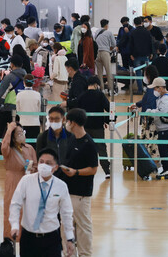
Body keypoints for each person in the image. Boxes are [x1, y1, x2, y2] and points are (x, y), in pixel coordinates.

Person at [9, 149, 75, 257]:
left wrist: (70, 238)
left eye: (48, 163)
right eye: (41, 161)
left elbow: (67, 213)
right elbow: (15, 204)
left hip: (51, 239)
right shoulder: (26, 181)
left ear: (55, 167)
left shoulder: (61, 186)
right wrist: (14, 225)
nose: (44, 165)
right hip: (28, 238)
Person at [58, 109, 98, 257]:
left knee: (83, 227)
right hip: (67, 192)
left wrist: (77, 172)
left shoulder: (89, 144)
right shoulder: (71, 139)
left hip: (81, 194)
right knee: (65, 226)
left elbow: (93, 169)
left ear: (72, 122)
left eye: (67, 121)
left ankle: (85, 254)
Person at [1, 122, 37, 240]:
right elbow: (3, 148)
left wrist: (32, 168)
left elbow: (36, 166)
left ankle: (26, 238)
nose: (21, 135)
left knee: (27, 211)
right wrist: (9, 130)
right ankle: (10, 239)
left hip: (28, 181)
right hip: (13, 180)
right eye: (18, 133)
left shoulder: (29, 148)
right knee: (11, 209)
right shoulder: (9, 150)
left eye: (22, 132)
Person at [72, 77, 111, 179]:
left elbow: (77, 111)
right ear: (96, 85)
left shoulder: (82, 96)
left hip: (84, 127)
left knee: (83, 147)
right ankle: (107, 171)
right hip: (98, 127)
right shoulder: (100, 95)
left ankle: (81, 168)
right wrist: (107, 120)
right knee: (101, 148)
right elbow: (109, 108)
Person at [145, 77, 168, 178]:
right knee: (165, 147)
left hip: (165, 127)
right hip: (165, 126)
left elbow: (161, 112)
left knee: (163, 148)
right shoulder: (166, 96)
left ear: (160, 88)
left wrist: (149, 112)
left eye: (155, 88)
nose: (154, 91)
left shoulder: (165, 99)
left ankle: (167, 169)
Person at [0, 57, 28, 155]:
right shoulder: (27, 76)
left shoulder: (9, 77)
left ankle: (0, 149)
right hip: (22, 109)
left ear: (12, 64)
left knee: (1, 129)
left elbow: (2, 94)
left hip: (8, 108)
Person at [129, 17, 155, 94]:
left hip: (136, 55)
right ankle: (149, 89)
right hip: (146, 55)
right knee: (148, 73)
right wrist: (151, 53)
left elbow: (131, 44)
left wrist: (131, 54)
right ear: (141, 23)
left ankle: (140, 90)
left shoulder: (133, 32)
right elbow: (151, 43)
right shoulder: (147, 32)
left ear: (134, 23)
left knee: (138, 73)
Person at [16, 74, 42, 140]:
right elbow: (39, 110)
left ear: (24, 82)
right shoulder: (37, 94)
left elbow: (18, 110)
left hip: (23, 123)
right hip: (35, 123)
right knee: (34, 146)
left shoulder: (19, 95)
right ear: (33, 83)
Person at [94, 19, 116, 94]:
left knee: (99, 73)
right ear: (106, 25)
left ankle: (102, 89)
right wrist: (109, 48)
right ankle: (110, 89)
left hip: (97, 53)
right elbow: (114, 44)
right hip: (105, 53)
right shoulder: (109, 32)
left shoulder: (96, 32)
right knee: (108, 71)